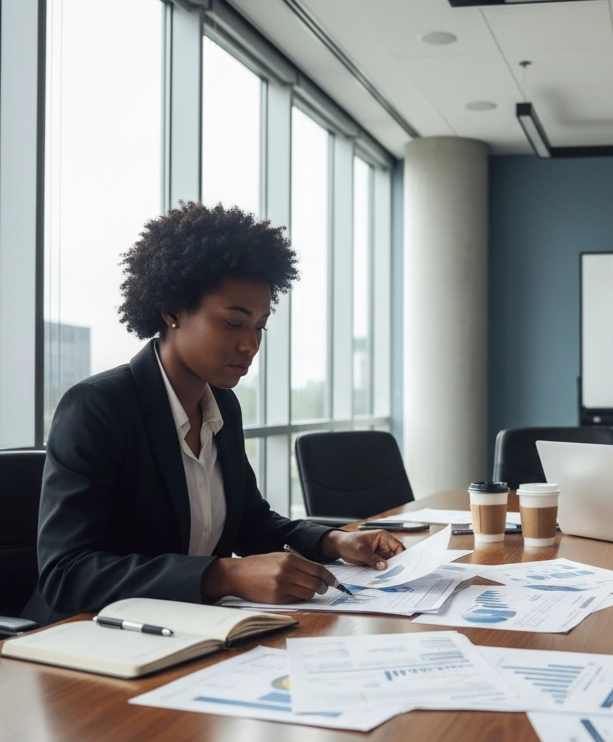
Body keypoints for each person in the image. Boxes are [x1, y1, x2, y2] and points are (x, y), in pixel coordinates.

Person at [25, 202, 404, 625]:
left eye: (259, 325)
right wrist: (224, 574)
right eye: (233, 323)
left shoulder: (222, 404)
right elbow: (66, 574)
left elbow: (251, 522)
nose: (251, 345)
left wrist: (334, 542)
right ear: (172, 311)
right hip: (89, 641)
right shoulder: (98, 407)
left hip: (191, 628)